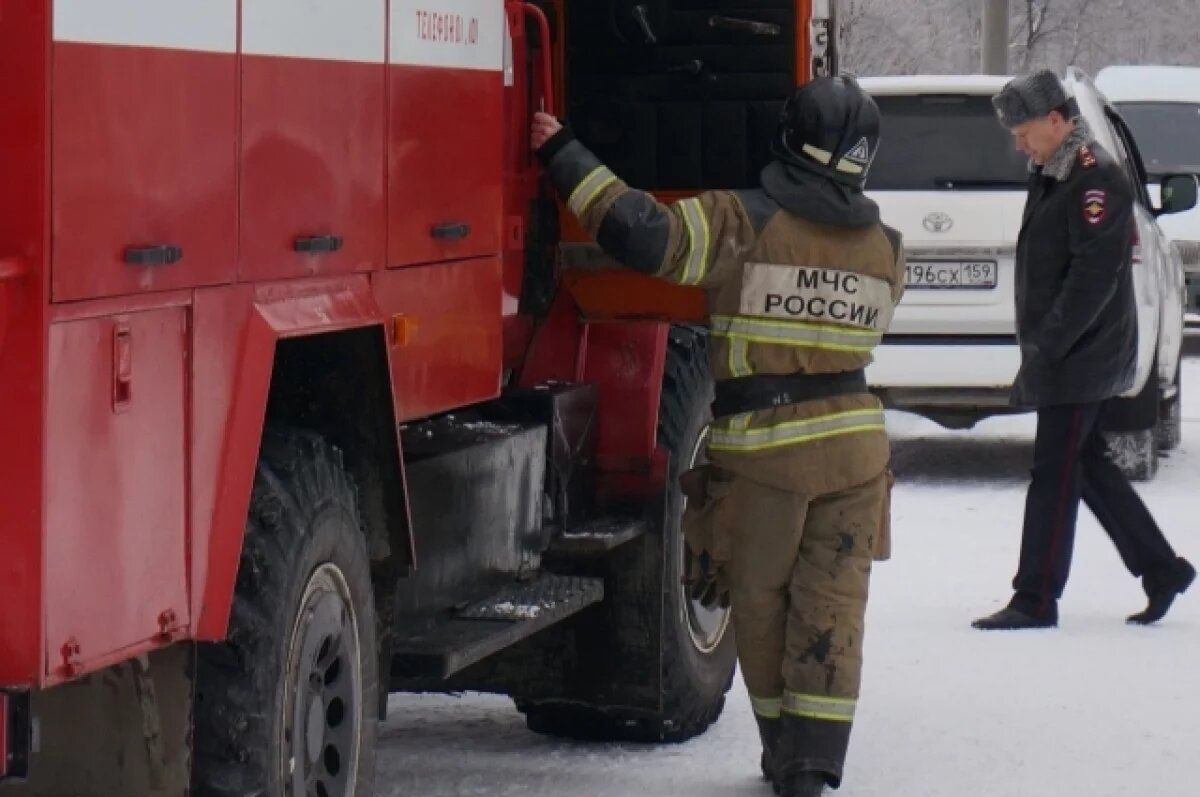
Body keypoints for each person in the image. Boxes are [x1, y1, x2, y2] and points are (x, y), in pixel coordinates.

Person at [531, 76, 905, 797]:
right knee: (834, 605)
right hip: (859, 453)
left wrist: (565, 153)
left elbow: (642, 232)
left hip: (766, 456)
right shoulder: (888, 247)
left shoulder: (743, 221)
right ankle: (814, 761)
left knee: (759, 603)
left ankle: (782, 753)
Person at [972, 69, 1194, 632]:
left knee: (1054, 471)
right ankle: (1161, 568)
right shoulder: (1055, 171)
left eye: (1023, 131)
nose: (1017, 143)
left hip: (1081, 352)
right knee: (1085, 463)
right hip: (1072, 346)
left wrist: (1050, 343)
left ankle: (1035, 598)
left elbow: (1093, 277)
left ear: (1055, 120)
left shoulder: (1095, 179)